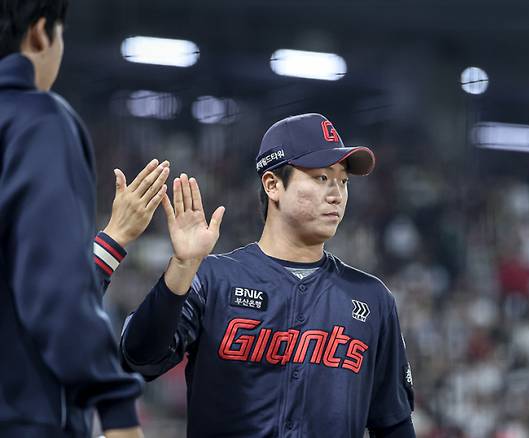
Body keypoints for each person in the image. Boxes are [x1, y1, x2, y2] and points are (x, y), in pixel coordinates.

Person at [119, 113, 416, 437]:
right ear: (273, 185)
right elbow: (139, 358)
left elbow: (394, 423)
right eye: (321, 178)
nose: (336, 194)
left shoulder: (372, 298)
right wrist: (182, 266)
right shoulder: (213, 279)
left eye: (343, 181)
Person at [0, 1, 169, 436]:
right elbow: (55, 292)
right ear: (40, 33)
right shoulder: (36, 119)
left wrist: (114, 238)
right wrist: (117, 408)